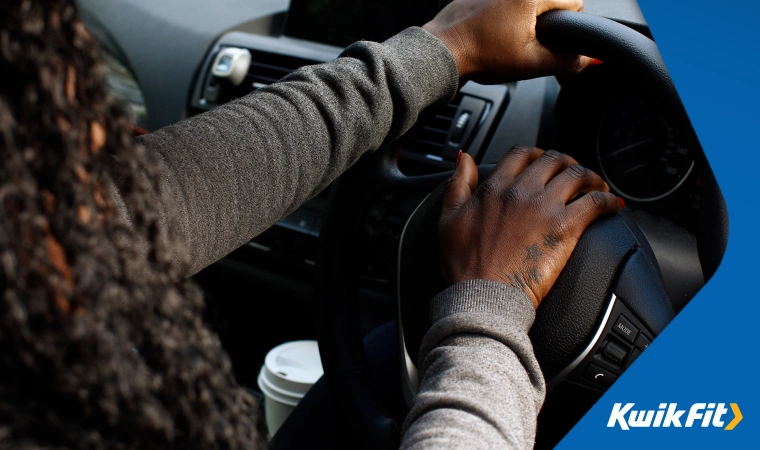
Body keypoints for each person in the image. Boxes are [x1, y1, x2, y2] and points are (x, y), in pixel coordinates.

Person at [0, 0, 620, 448]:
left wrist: (448, 46)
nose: (98, 127)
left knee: (381, 360)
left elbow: (125, 211)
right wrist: (490, 310)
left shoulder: (31, 232)